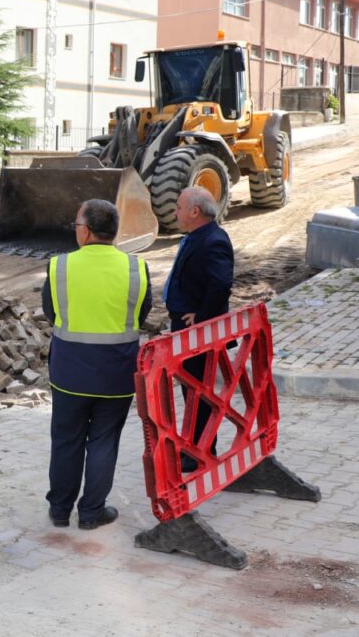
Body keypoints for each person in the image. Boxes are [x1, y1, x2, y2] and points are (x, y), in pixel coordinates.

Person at [42, 199, 152, 531]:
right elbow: (141, 315)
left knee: (66, 440)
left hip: (69, 373)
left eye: (77, 226)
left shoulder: (59, 266)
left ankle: (60, 510)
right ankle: (91, 513)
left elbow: (52, 312)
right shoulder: (136, 268)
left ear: (86, 231)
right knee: (104, 441)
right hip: (116, 374)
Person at [163, 186, 234, 470]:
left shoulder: (214, 240)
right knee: (191, 391)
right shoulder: (198, 236)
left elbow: (221, 284)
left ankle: (200, 451)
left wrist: (202, 317)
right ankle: (193, 447)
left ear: (195, 211)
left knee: (199, 393)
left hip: (199, 330)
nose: (175, 212)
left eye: (179, 207)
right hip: (186, 326)